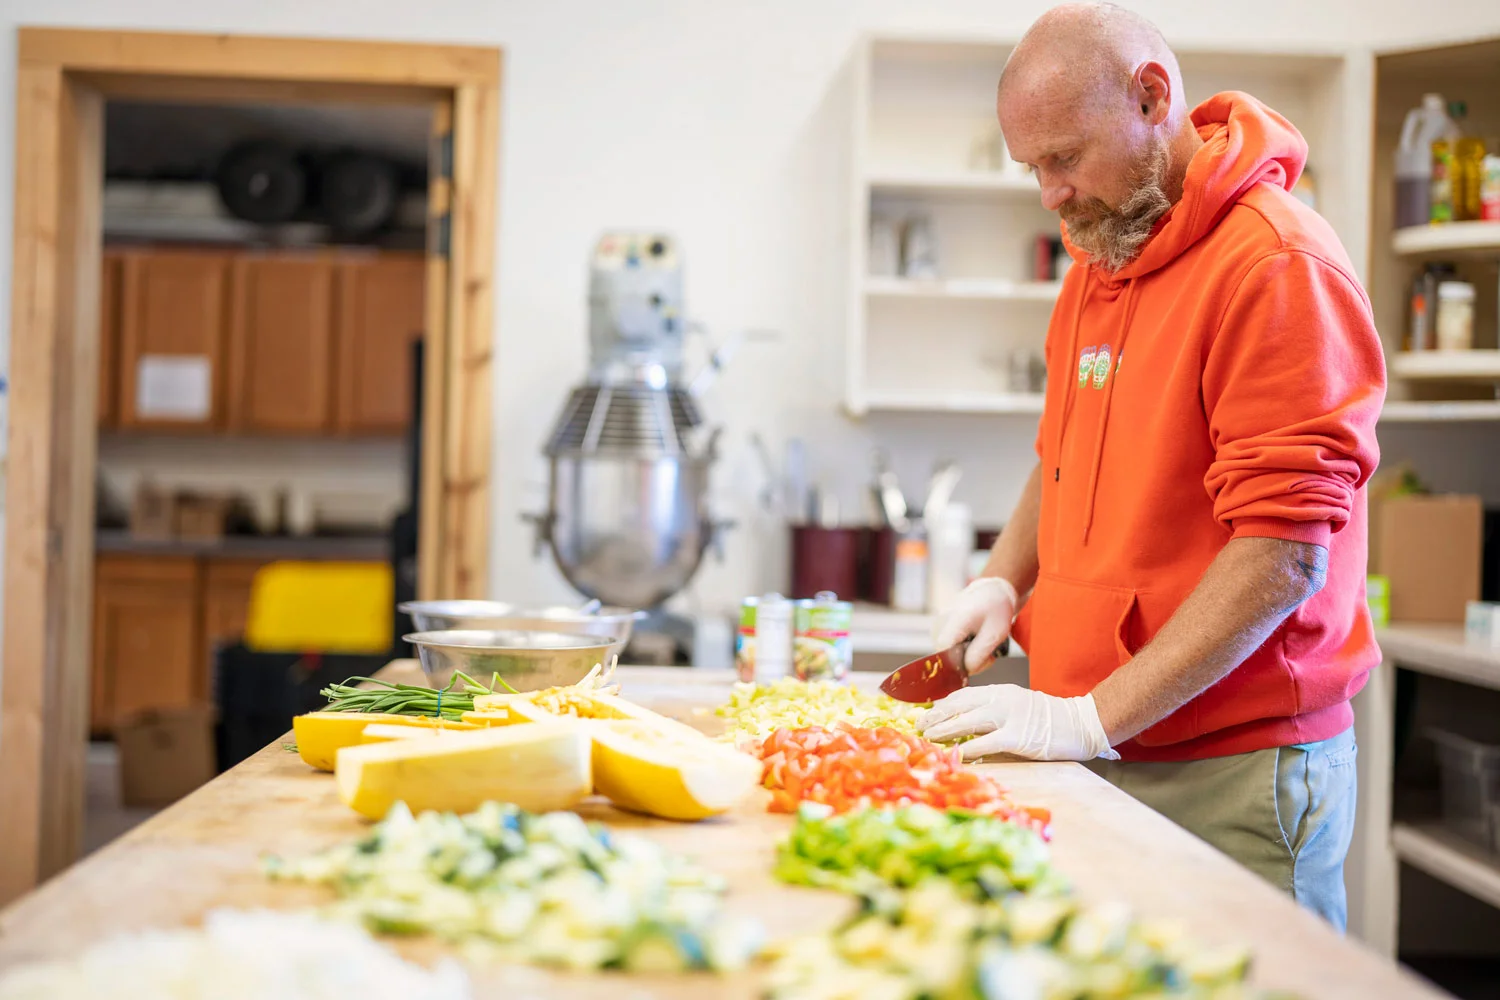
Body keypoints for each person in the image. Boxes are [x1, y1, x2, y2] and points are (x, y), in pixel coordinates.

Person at [918, 2, 1384, 931]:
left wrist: (1088, 719)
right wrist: (1004, 580)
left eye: (1063, 158)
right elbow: (1063, 451)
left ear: (1151, 97)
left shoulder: (1274, 266)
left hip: (1230, 769)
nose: (1049, 193)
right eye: (1031, 169)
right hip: (1107, 747)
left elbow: (1283, 553)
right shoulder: (1101, 252)